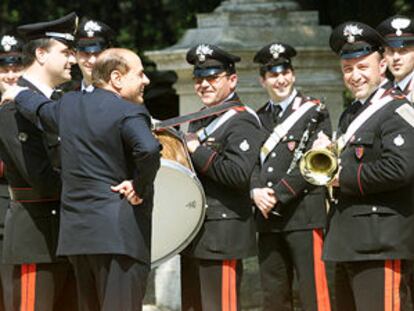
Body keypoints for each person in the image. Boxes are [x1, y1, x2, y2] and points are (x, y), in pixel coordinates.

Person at [3, 48, 161, 311]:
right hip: (119, 238)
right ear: (116, 78)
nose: (146, 81)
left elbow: (39, 108)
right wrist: (138, 185)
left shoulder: (68, 105)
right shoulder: (129, 112)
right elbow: (148, 149)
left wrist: (18, 93)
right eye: (140, 74)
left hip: (77, 239)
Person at [320, 21, 414, 311]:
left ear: (382, 65)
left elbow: (401, 168)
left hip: (380, 241)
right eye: (348, 69)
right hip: (349, 241)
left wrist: (341, 176)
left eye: (363, 67)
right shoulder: (351, 113)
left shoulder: (398, 109)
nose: (355, 76)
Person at [0, 13, 79, 311]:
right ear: (41, 54)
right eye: (66, 52)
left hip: (65, 236)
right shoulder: (14, 108)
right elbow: (42, 178)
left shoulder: (57, 103)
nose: (73, 59)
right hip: (37, 239)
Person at [181, 43, 265, 311]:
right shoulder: (200, 120)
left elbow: (239, 174)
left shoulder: (243, 120)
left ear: (232, 80)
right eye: (199, 78)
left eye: (212, 78)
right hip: (196, 231)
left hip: (223, 234)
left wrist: (197, 150)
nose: (204, 84)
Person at [250, 42, 332, 311]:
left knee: (313, 295)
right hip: (268, 219)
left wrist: (278, 193)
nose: (280, 79)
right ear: (263, 80)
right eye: (273, 74)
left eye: (285, 72)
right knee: (274, 297)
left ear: (293, 75)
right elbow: (251, 164)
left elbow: (314, 163)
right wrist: (255, 191)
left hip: (304, 215)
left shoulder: (315, 110)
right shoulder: (258, 119)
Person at [0, 32, 26, 311]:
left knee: (15, 292)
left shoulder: (35, 105)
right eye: (4, 69)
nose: (9, 75)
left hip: (24, 208)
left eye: (15, 68)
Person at [377, 15, 414, 102]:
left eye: (403, 51)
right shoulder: (381, 94)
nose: (396, 57)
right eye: (390, 51)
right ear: (384, 55)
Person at [75, 18, 114, 92]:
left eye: (97, 53)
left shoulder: (122, 97)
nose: (92, 60)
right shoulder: (69, 99)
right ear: (75, 55)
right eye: (85, 53)